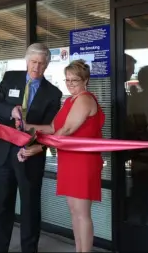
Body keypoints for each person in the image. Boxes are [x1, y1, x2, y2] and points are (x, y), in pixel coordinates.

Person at [18, 59, 105, 253]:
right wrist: (26, 126)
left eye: (74, 80)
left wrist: (37, 147)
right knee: (74, 211)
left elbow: (66, 130)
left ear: (86, 80)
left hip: (83, 161)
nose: (70, 84)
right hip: (68, 159)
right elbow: (52, 128)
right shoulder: (69, 100)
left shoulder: (85, 98)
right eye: (67, 80)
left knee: (82, 213)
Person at [0, 43, 62, 253]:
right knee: (2, 205)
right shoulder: (11, 78)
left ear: (47, 65)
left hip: (30, 156)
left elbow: (50, 130)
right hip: (3, 152)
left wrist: (35, 147)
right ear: (26, 61)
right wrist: (10, 110)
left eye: (41, 63)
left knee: (29, 208)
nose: (36, 67)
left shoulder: (53, 93)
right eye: (33, 62)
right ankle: (0, 249)